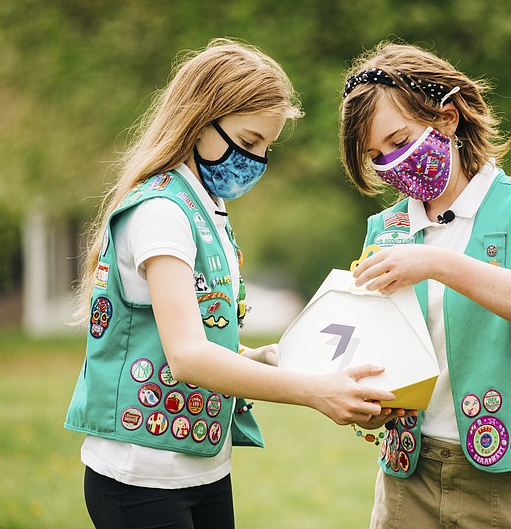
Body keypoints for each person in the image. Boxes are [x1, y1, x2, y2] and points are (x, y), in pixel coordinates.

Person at [65, 38, 395, 529]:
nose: (256, 160)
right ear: (200, 120)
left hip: (204, 467)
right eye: (247, 142)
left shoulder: (207, 210)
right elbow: (188, 356)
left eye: (265, 147)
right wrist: (312, 391)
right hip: (140, 479)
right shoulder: (161, 212)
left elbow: (197, 337)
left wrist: (262, 357)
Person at [339, 41, 511, 528]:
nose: (392, 162)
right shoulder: (385, 230)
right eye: (376, 155)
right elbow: (377, 346)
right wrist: (371, 403)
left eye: (399, 138)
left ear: (447, 119)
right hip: (407, 475)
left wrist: (437, 262)